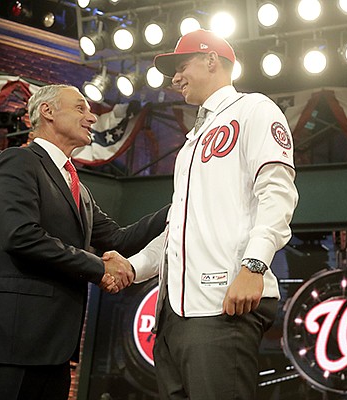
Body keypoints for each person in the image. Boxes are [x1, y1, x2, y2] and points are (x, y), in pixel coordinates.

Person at [0, 84, 169, 400]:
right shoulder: (18, 161)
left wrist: (179, 207)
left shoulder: (79, 189)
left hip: (53, 351)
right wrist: (98, 268)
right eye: (81, 108)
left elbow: (120, 239)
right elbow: (21, 236)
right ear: (47, 112)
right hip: (7, 343)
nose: (92, 117)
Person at [128, 30, 299, 399]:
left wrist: (254, 266)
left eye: (181, 65)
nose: (175, 78)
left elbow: (278, 194)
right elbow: (179, 227)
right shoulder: (192, 140)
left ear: (211, 61)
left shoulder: (254, 108)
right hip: (173, 313)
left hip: (223, 305)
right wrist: (133, 268)